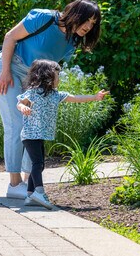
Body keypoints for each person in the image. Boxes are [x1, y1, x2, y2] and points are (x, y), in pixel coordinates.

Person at [0, 0, 102, 199]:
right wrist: (5, 71)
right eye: (87, 20)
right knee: (17, 123)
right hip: (9, 68)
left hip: (33, 80)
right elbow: (10, 37)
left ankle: (28, 184)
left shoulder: (72, 41)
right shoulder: (44, 18)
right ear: (76, 13)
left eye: (93, 23)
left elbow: (50, 67)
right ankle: (14, 184)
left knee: (33, 125)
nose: (88, 26)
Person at [17, 59, 109, 209]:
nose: (58, 79)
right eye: (56, 76)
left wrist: (94, 97)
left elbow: (76, 98)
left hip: (39, 135)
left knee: (39, 165)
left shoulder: (56, 95)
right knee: (37, 164)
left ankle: (30, 195)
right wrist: (23, 108)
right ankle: (39, 192)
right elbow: (20, 102)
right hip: (29, 134)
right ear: (46, 77)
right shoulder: (33, 93)